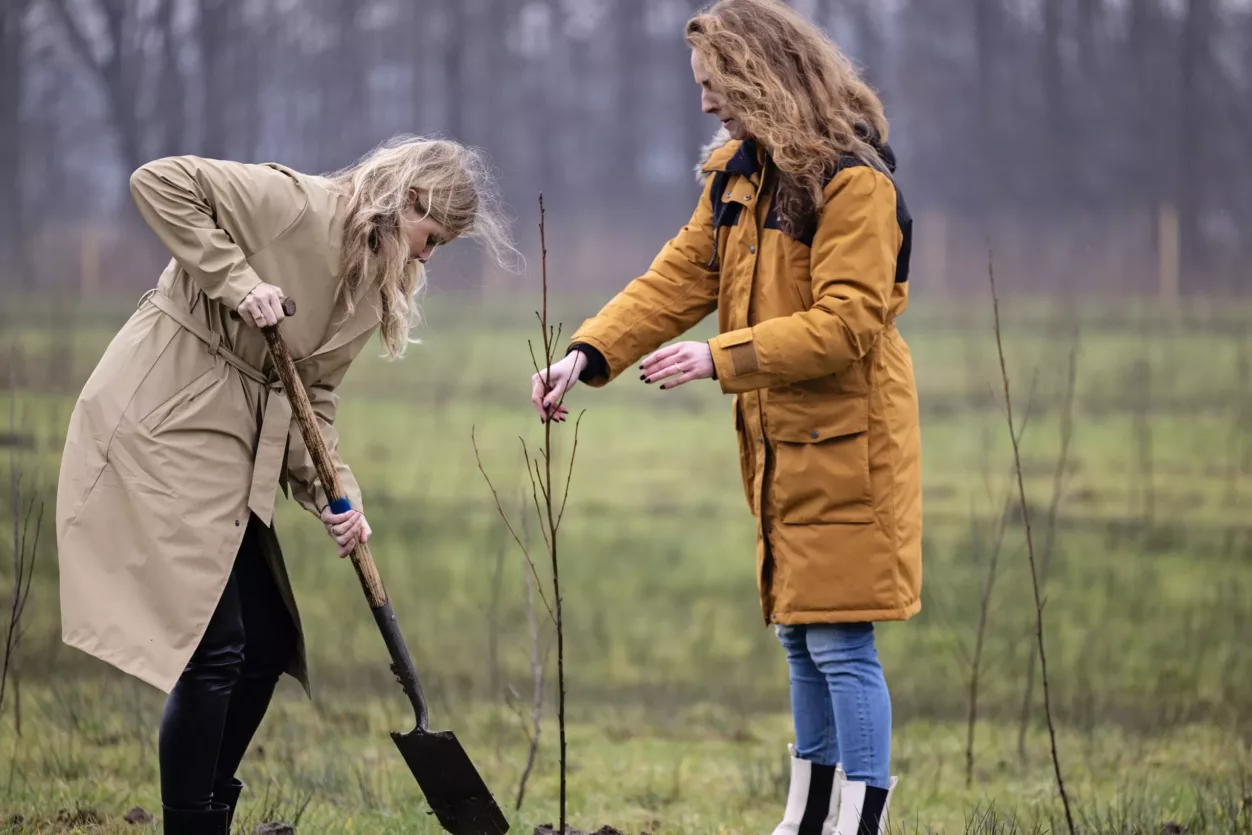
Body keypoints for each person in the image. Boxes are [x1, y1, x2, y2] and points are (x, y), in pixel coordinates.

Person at [529, 1, 919, 832]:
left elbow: (850, 321)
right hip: (783, 443)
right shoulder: (741, 176)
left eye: (716, 84)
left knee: (841, 643)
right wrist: (587, 354)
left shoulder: (854, 181)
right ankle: (806, 817)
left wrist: (719, 357)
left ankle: (861, 820)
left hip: (851, 445)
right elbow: (676, 279)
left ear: (763, 74)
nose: (705, 103)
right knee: (798, 633)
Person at [55, 135, 514, 834]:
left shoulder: (369, 285)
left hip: (228, 450)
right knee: (215, 650)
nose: (427, 256)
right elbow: (159, 182)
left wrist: (342, 495)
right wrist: (239, 284)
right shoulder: (295, 205)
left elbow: (313, 401)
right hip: (162, 418)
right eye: (432, 237)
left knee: (268, 640)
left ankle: (211, 802)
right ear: (409, 198)